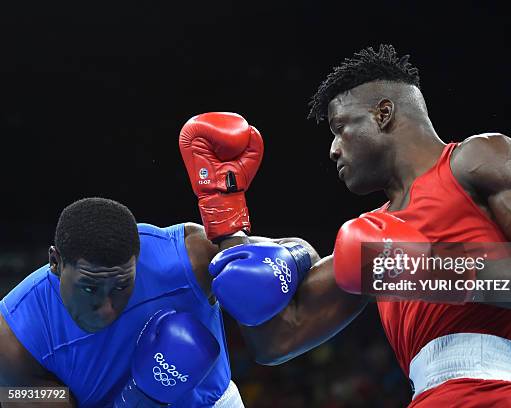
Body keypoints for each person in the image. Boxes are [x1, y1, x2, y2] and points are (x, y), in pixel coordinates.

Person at [208, 45, 511, 407]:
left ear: (383, 114)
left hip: (497, 396)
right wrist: (227, 220)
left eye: (339, 128)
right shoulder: (371, 235)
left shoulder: (479, 159)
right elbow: (279, 338)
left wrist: (429, 269)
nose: (332, 150)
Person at [0, 113, 315, 407]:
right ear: (55, 263)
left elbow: (303, 251)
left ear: (139, 258)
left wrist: (281, 261)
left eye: (122, 285)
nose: (108, 307)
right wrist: (136, 399)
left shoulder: (185, 259)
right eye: (90, 288)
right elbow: (11, 395)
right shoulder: (14, 333)